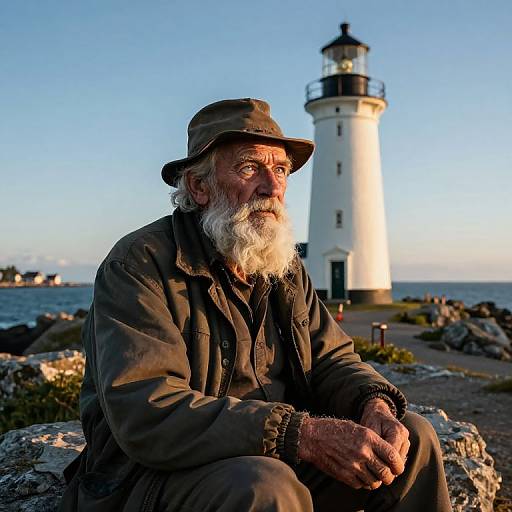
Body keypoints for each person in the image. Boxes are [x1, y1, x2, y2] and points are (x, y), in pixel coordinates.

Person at [59, 98, 452, 512]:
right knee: (266, 486)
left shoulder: (277, 261)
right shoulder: (140, 263)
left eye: (280, 169)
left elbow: (332, 358)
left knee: (414, 439)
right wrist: (301, 433)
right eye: (250, 167)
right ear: (198, 187)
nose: (272, 185)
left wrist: (373, 403)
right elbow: (147, 411)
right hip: (152, 476)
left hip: (275, 454)